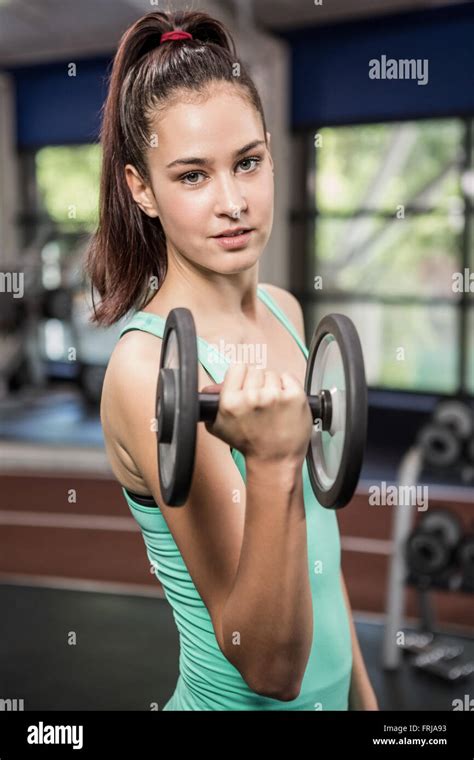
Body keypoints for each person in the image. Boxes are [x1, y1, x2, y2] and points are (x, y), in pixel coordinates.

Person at [86, 8, 379, 711]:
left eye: (247, 162)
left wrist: (365, 704)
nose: (233, 202)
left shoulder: (285, 309)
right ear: (141, 189)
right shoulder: (145, 369)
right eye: (192, 176)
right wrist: (277, 461)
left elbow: (320, 562)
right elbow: (267, 667)